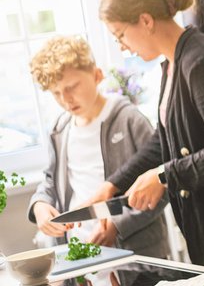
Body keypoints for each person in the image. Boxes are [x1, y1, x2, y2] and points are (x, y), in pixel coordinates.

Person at [87, 0, 204, 268]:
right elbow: (163, 140)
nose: (122, 46)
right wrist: (113, 184)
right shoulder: (173, 62)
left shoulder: (199, 62)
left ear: (146, 20)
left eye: (120, 34)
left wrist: (164, 176)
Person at [27, 36, 169, 260]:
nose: (65, 99)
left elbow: (161, 187)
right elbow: (50, 181)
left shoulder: (129, 119)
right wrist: (40, 205)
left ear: (96, 75)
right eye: (55, 93)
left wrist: (118, 225)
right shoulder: (60, 129)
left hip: (136, 260)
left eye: (71, 87)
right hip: (83, 259)